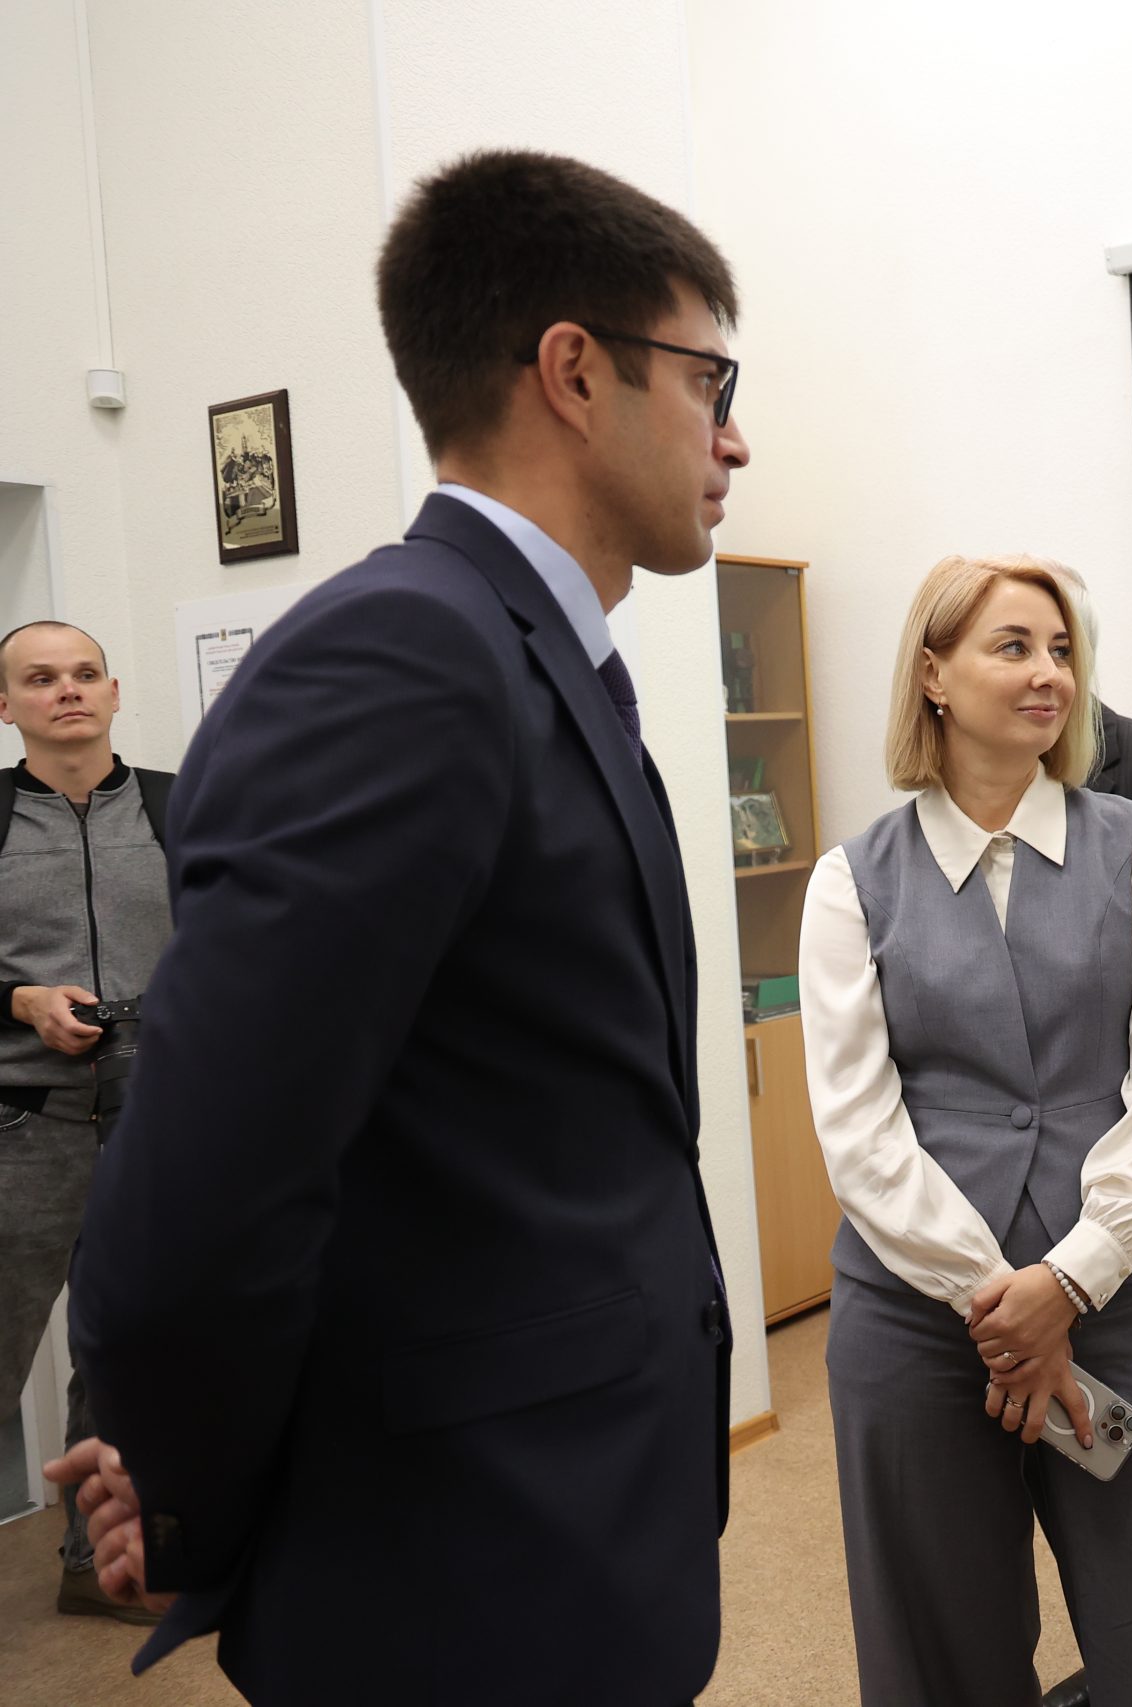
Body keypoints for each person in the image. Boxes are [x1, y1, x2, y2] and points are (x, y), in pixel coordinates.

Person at [50, 149, 752, 1706]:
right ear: (575, 370)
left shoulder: (533, 655)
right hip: (458, 1564)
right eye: (710, 378)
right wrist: (177, 1488)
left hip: (564, 1507)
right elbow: (210, 1177)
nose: (734, 435)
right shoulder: (407, 652)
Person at [801, 553, 1132, 1706]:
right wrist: (1003, 1308)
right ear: (932, 675)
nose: (1050, 676)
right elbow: (860, 1132)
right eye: (1013, 647)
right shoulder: (849, 880)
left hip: (1125, 1291)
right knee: (940, 1649)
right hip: (919, 1317)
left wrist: (1066, 1285)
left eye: (1062, 651)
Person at [0, 620, 172, 1625]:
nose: (66, 690)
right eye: (39, 678)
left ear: (112, 692)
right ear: (6, 706)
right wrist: (19, 1002)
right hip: (22, 1130)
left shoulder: (178, 805)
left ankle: (95, 1567)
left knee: (130, 1358)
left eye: (83, 674)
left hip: (155, 1129)